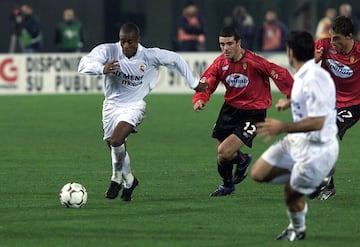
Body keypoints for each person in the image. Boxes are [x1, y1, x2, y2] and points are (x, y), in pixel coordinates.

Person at [78, 23, 207, 202]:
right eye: (122, 41)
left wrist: (193, 83)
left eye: (129, 42)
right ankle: (130, 181)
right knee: (114, 145)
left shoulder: (149, 56)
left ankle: (115, 178)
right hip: (111, 106)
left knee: (116, 140)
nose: (125, 46)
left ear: (137, 41)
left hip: (134, 105)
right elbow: (83, 64)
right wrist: (101, 69)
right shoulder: (109, 51)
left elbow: (176, 59)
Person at [251, 31, 339, 241]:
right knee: (258, 173)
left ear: (291, 52)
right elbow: (309, 99)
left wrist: (283, 126)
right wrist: (290, 102)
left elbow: (318, 122)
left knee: (291, 194)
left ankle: (297, 229)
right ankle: (311, 177)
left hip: (318, 148)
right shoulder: (304, 75)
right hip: (298, 142)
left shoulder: (314, 78)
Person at [192, 26, 293, 197]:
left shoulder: (255, 62)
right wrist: (200, 98)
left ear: (239, 43)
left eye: (230, 43)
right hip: (230, 109)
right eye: (222, 44)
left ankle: (238, 166)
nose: (225, 48)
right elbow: (207, 80)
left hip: (254, 112)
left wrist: (291, 96)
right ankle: (230, 181)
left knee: (224, 151)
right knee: (223, 156)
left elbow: (280, 74)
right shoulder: (220, 63)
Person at [313, 15, 360, 200]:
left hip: (353, 104)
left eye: (337, 38)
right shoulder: (323, 45)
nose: (333, 42)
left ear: (349, 36)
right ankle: (327, 186)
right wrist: (312, 60)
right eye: (331, 37)